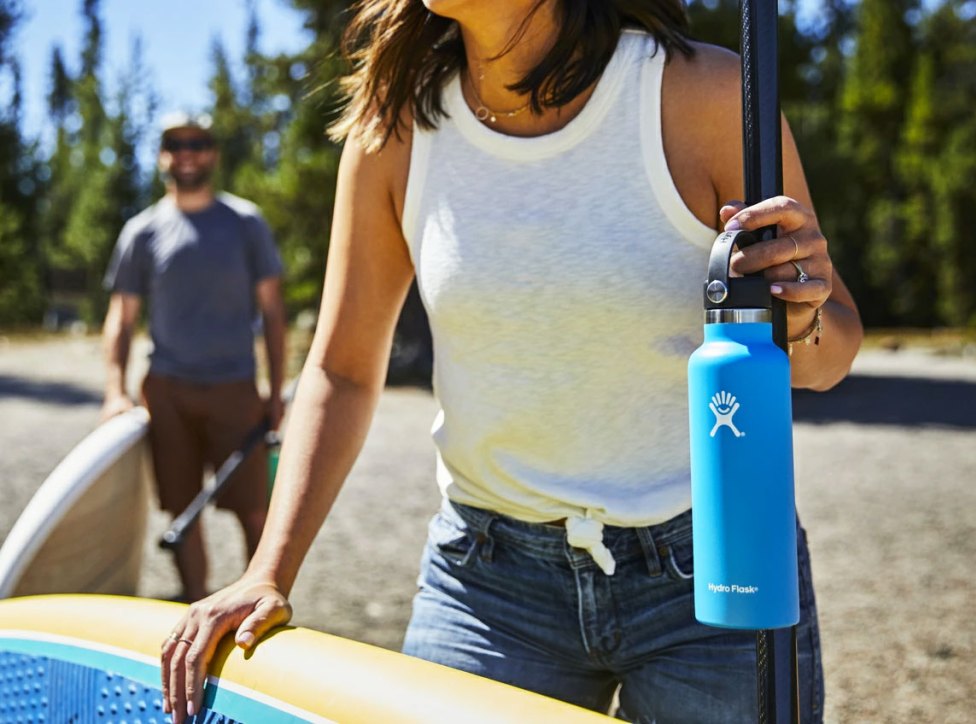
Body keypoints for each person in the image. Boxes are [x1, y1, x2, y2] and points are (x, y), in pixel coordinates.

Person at [161, 2, 863, 722]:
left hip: (715, 569)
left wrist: (801, 320)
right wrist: (267, 572)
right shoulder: (396, 131)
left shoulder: (704, 95)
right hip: (489, 582)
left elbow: (828, 355)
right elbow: (340, 369)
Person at [101, 111, 287, 604]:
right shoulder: (141, 231)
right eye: (176, 144)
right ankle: (195, 599)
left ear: (213, 153)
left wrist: (274, 390)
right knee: (182, 511)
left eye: (197, 143)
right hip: (168, 392)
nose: (187, 153)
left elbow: (272, 312)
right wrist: (116, 390)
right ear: (163, 155)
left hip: (236, 389)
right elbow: (121, 317)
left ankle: (260, 600)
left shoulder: (246, 223)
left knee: (253, 508)